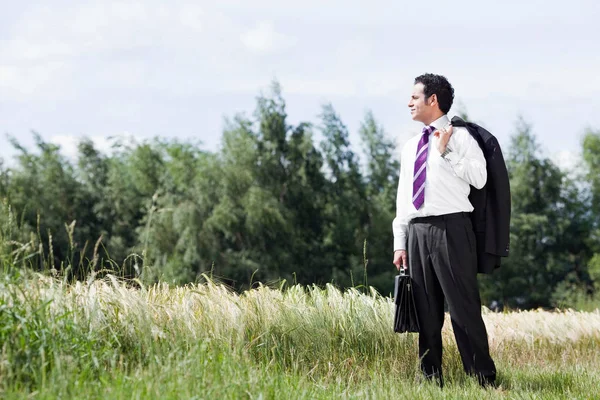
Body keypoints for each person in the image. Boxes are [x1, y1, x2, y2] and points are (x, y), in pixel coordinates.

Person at [392, 73, 496, 388]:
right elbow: (403, 198)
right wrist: (400, 241)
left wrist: (445, 152)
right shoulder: (410, 146)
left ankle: (484, 381)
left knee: (463, 310)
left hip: (453, 229)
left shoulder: (462, 138)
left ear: (432, 100)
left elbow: (480, 179)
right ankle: (430, 381)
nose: (408, 102)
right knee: (426, 314)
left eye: (414, 96)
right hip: (418, 233)